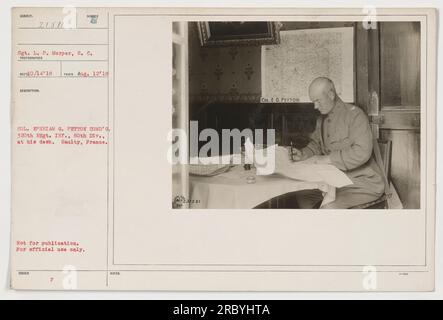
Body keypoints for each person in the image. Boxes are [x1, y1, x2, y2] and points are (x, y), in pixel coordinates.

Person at [292, 77, 385, 209]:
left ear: (331, 94)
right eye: (313, 102)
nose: (315, 106)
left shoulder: (355, 115)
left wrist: (327, 159)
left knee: (328, 208)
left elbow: (362, 153)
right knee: (303, 196)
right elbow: (316, 145)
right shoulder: (321, 119)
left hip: (361, 183)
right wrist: (303, 154)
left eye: (318, 101)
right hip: (334, 182)